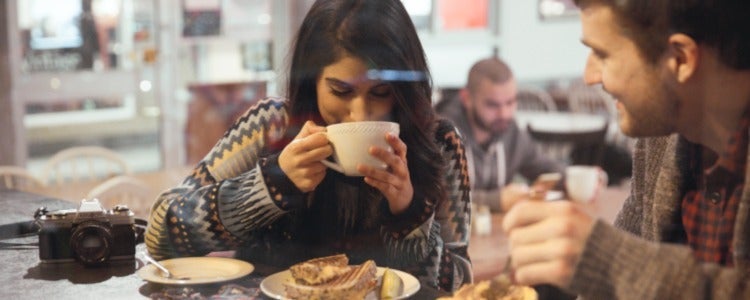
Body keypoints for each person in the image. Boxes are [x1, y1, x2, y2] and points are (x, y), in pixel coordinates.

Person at [145, 0, 472, 292]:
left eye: (380, 92)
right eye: (340, 91)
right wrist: (270, 184)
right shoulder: (270, 126)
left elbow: (458, 282)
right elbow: (160, 232)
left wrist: (410, 214)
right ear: (311, 81)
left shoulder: (438, 143)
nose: (358, 114)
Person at [502, 0, 750, 299]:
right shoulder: (658, 140)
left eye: (601, 54)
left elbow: (616, 264)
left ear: (681, 60)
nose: (589, 76)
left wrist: (609, 261)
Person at [436, 57, 563, 213]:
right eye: (492, 105)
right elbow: (437, 197)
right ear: (467, 98)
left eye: (510, 102)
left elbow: (544, 167)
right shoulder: (442, 134)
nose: (504, 113)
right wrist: (495, 201)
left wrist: (575, 178)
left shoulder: (510, 130)